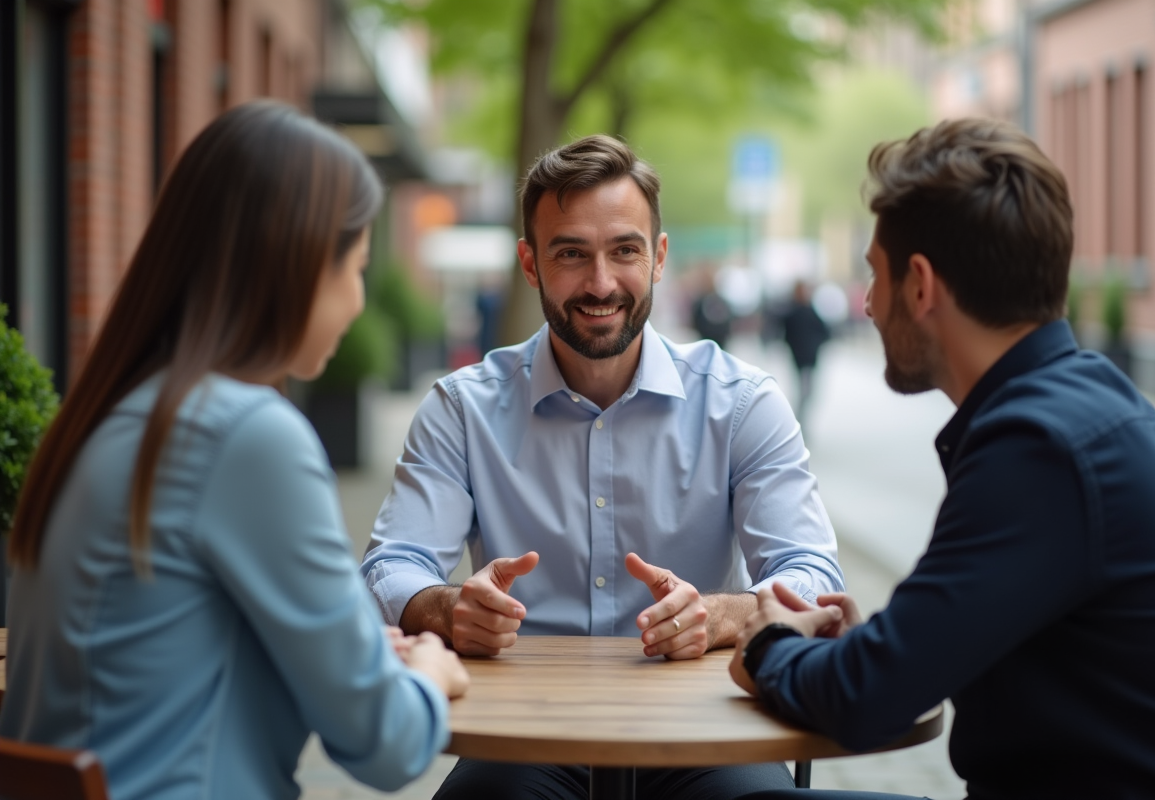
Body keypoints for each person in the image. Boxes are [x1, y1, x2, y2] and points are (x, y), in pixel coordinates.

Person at [0, 102, 468, 800]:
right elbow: (384, 744)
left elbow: (175, 651)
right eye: (357, 267)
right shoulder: (247, 436)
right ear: (301, 264)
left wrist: (362, 660)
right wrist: (430, 674)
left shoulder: (107, 418)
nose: (359, 300)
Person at [362, 134, 844, 799]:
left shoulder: (742, 404)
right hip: (525, 734)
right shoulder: (461, 409)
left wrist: (724, 616)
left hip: (704, 728)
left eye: (625, 250)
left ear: (660, 257)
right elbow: (391, 565)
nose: (600, 283)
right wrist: (444, 607)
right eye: (570, 254)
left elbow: (814, 576)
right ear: (530, 264)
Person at [730, 118, 1155, 799]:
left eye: (874, 274)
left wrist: (767, 642)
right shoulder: (1084, 404)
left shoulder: (1040, 447)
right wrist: (878, 647)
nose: (865, 303)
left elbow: (864, 700)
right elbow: (915, 663)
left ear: (920, 286)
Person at [781, 281, 830, 422]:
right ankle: (799, 418)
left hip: (807, 356)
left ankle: (800, 417)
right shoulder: (797, 312)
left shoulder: (807, 311)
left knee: (806, 390)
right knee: (804, 390)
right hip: (802, 357)